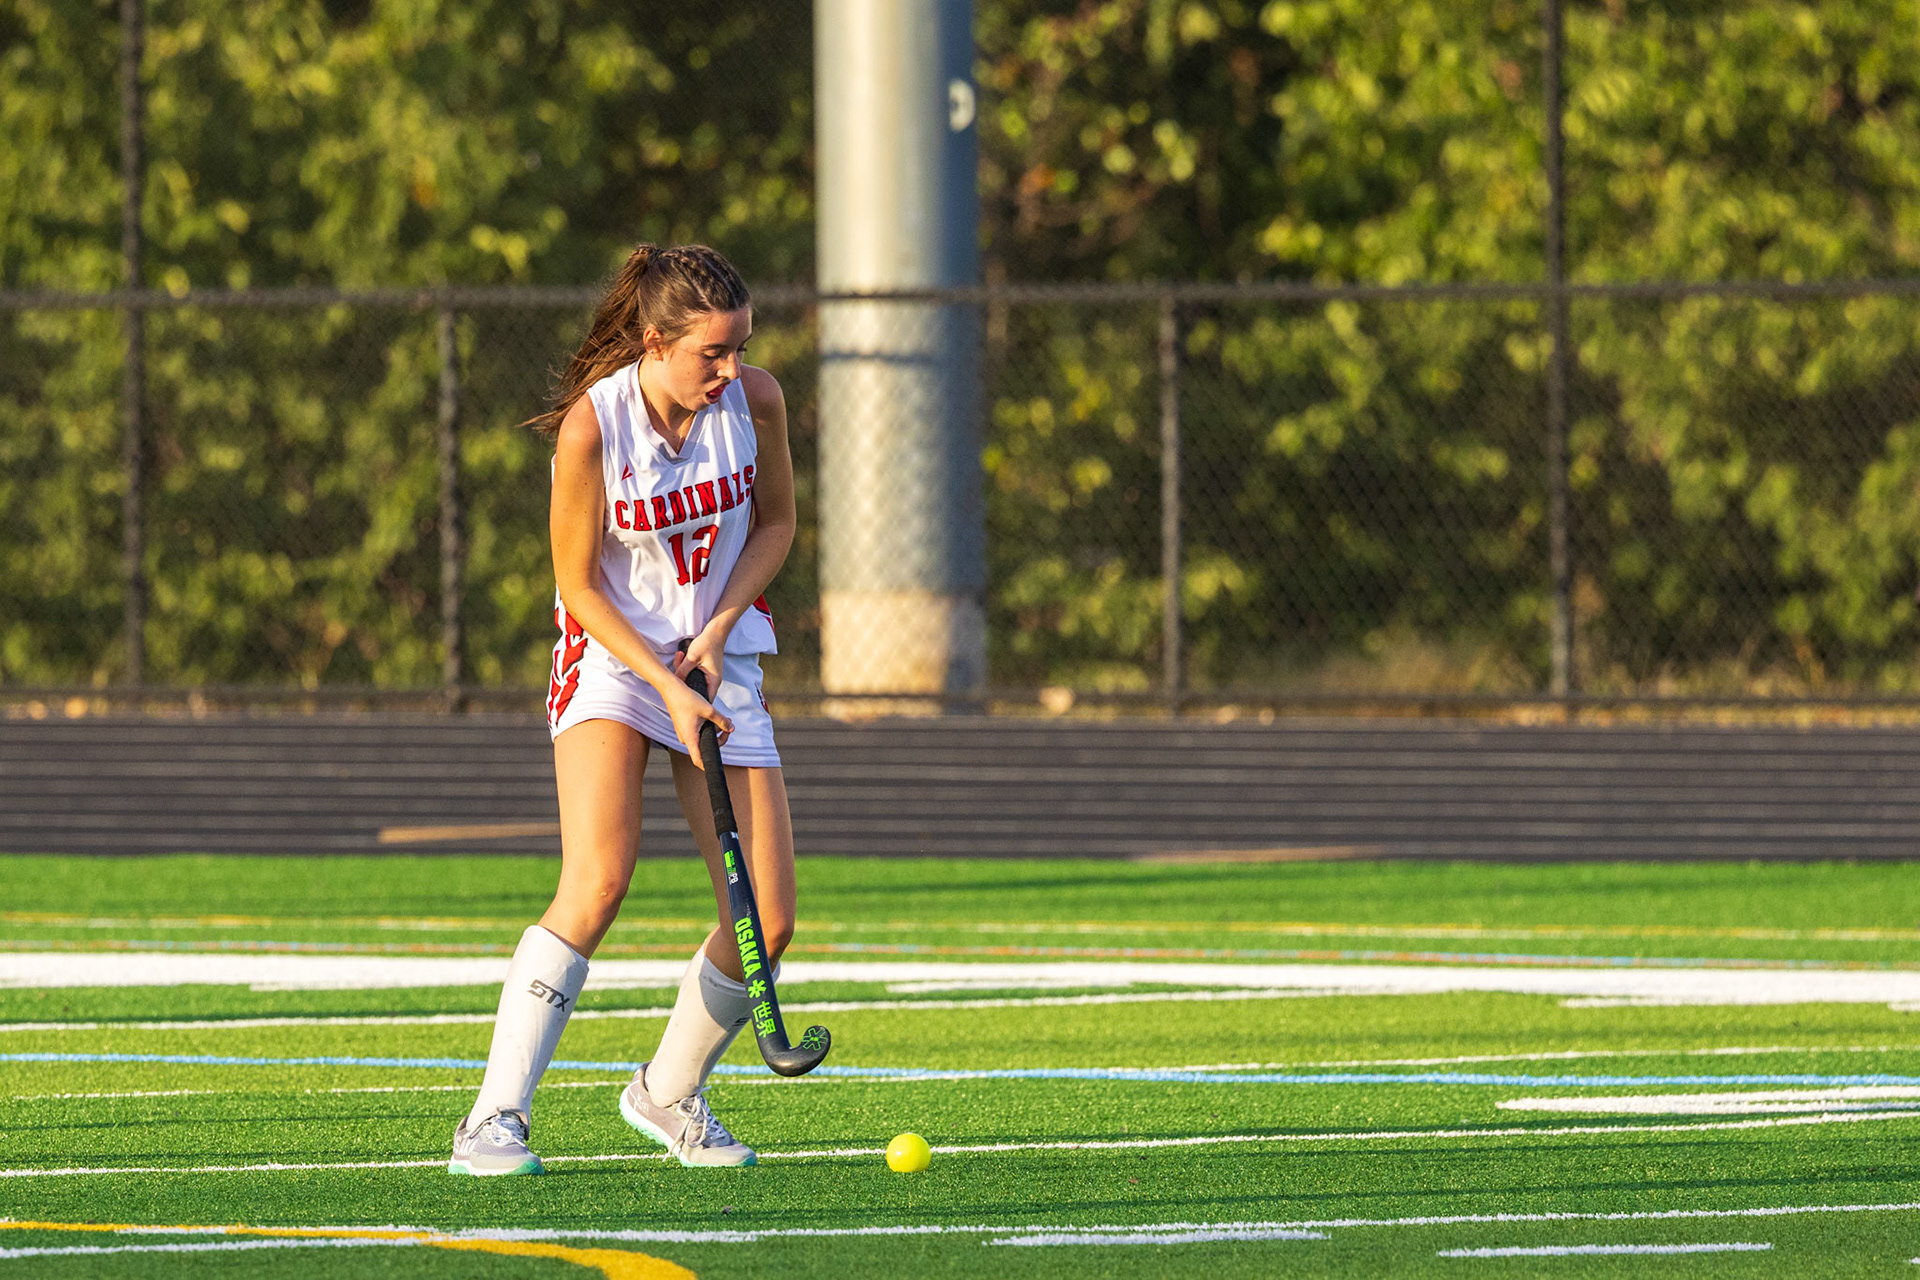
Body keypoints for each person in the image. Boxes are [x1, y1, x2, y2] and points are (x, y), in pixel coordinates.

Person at [450, 243, 798, 1174]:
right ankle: (493, 1118)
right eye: (711, 354)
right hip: (613, 657)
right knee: (599, 879)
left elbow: (776, 525)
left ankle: (668, 1090)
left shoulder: (758, 402)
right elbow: (577, 582)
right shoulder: (591, 429)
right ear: (654, 341)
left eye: (740, 348)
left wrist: (716, 634)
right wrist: (663, 683)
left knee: (767, 919)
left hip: (715, 655)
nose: (732, 371)